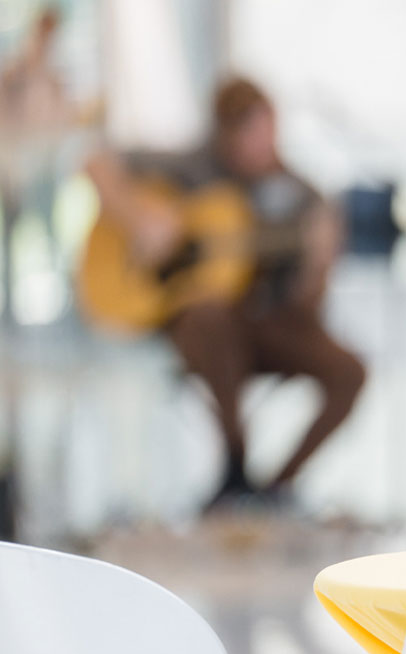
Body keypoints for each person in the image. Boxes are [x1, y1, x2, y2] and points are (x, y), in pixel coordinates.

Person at [85, 77, 364, 511]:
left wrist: (318, 268)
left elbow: (306, 309)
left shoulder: (303, 199)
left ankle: (272, 490)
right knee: (211, 316)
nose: (261, 145)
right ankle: (234, 459)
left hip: (270, 326)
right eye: (248, 134)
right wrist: (142, 222)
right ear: (223, 134)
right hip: (204, 331)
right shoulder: (193, 169)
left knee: (350, 370)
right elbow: (96, 163)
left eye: (267, 131)